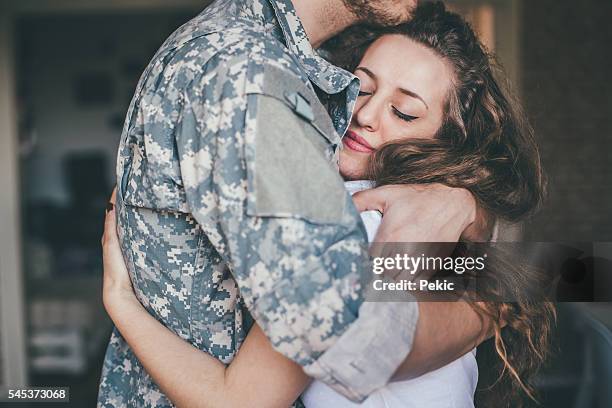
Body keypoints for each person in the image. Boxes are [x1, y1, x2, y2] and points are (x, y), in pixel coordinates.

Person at [101, 2, 555, 407]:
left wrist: (120, 302)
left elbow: (242, 399)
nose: (367, 114)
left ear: (448, 142)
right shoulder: (415, 207)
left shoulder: (370, 218)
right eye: (361, 86)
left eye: (404, 112)